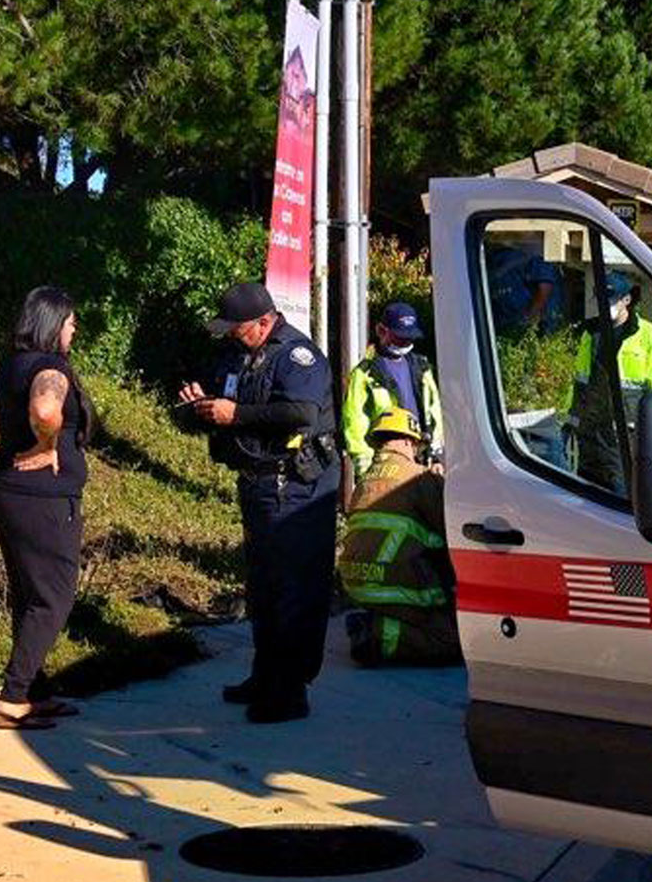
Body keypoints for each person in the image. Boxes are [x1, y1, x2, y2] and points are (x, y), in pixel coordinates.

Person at [175, 281, 339, 723]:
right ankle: (265, 675)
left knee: (294, 589)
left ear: (265, 321)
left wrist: (236, 414)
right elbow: (225, 405)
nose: (230, 335)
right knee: (263, 588)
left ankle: (291, 690)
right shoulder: (237, 354)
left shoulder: (298, 357)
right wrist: (202, 409)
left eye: (237, 328)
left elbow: (301, 413)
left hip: (297, 488)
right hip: (256, 483)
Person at [0, 287, 95, 729]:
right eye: (69, 321)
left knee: (29, 597)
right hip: (42, 499)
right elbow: (46, 409)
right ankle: (12, 697)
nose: (74, 328)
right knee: (54, 598)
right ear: (52, 324)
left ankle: (33, 690)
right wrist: (47, 444)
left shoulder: (8, 366)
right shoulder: (50, 369)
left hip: (6, 491)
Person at [340, 409, 461, 667]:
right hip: (392, 587)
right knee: (452, 642)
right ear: (408, 441)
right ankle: (377, 635)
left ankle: (380, 621)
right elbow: (449, 529)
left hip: (357, 583)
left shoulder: (364, 482)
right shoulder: (418, 477)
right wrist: (440, 482)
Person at [566, 272, 652, 493]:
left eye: (612, 299)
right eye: (601, 299)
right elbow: (580, 379)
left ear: (626, 300)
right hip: (590, 431)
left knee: (621, 495)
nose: (606, 305)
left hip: (624, 432)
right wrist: (570, 420)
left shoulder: (649, 336)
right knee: (588, 497)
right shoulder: (590, 332)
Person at [339, 301, 443, 479]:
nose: (405, 342)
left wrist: (436, 452)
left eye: (409, 337)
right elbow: (354, 422)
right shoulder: (365, 373)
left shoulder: (422, 367)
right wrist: (366, 467)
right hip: (386, 461)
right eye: (400, 337)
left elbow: (434, 410)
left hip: (422, 456)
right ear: (381, 331)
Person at [486, 243, 563, 334]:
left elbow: (545, 287)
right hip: (507, 326)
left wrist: (529, 317)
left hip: (533, 326)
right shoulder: (493, 258)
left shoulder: (532, 254)